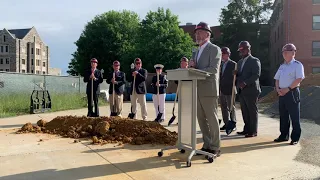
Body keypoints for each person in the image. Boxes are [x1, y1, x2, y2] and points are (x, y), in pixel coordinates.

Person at [189, 21, 222, 156]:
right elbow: (195, 69)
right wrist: (191, 66)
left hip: (209, 90)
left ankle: (215, 146)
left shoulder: (214, 49)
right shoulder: (196, 51)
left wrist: (196, 70)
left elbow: (213, 69)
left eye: (199, 32)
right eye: (196, 33)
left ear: (207, 34)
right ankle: (207, 144)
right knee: (201, 119)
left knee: (211, 118)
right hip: (197, 89)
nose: (197, 35)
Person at [273, 43, 304, 145]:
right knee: (283, 116)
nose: (284, 54)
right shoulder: (282, 66)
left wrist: (288, 88)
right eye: (283, 52)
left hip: (292, 93)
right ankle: (283, 135)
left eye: (287, 52)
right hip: (282, 93)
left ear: (293, 53)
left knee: (294, 116)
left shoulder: (297, 65)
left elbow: (299, 79)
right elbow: (277, 79)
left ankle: (295, 138)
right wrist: (278, 89)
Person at [235, 41, 261, 138]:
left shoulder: (255, 60)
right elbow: (240, 75)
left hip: (251, 90)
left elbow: (256, 75)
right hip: (242, 91)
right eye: (240, 51)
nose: (241, 52)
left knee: (252, 111)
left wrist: (245, 83)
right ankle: (246, 129)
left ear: (248, 49)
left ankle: (253, 131)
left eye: (243, 50)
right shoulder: (240, 62)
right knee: (244, 111)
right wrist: (236, 74)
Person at [219, 47, 237, 135]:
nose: (223, 56)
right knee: (223, 107)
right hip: (222, 89)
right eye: (221, 54)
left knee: (231, 107)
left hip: (230, 89)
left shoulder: (233, 64)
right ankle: (226, 123)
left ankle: (233, 123)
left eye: (224, 54)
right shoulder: (221, 64)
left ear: (228, 55)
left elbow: (236, 77)